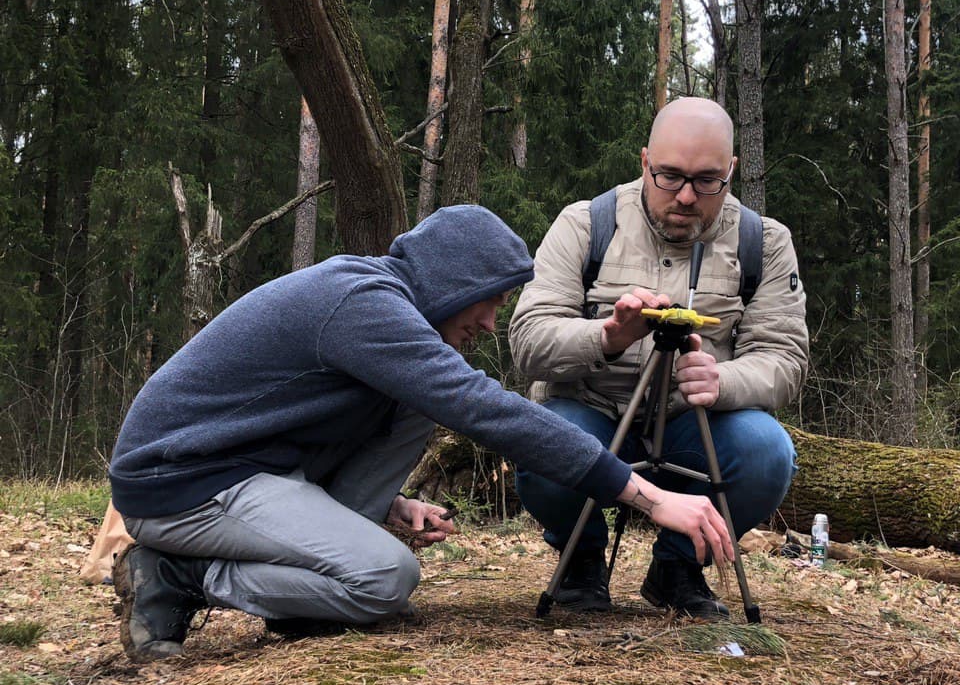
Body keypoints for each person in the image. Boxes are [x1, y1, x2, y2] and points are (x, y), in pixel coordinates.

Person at [110, 204, 734, 661]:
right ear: (454, 281)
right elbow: (485, 409)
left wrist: (391, 502)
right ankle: (178, 575)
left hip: (242, 467)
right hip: (180, 481)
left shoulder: (383, 304)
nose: (492, 322)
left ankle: (309, 582)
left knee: (414, 406)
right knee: (385, 579)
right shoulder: (363, 303)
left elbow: (295, 424)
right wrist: (648, 496)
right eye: (490, 300)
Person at [508, 98, 808, 617]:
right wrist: (608, 338)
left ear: (731, 170)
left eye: (708, 180)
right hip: (592, 414)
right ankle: (580, 557)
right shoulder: (585, 225)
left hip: (695, 426)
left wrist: (723, 380)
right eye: (669, 176)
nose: (687, 196)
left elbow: (785, 358)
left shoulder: (765, 242)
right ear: (644, 161)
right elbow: (528, 342)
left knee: (767, 452)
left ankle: (678, 568)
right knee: (542, 439)